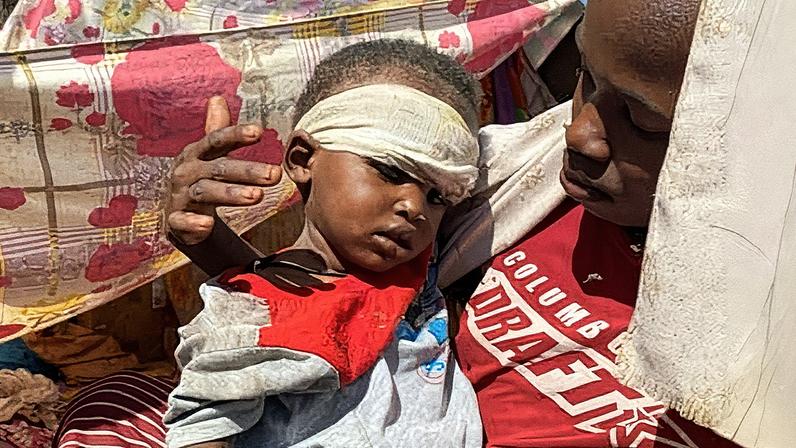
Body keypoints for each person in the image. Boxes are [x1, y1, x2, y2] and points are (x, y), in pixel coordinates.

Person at [54, 0, 744, 447]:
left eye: (644, 120)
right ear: (300, 158)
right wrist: (220, 258)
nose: (579, 134)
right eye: (584, 81)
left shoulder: (753, 334)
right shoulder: (511, 185)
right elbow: (313, 309)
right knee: (109, 406)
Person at [60, 39, 486, 448]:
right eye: (389, 170)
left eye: (438, 196)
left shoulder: (422, 270)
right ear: (302, 160)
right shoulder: (251, 320)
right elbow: (205, 425)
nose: (415, 206)